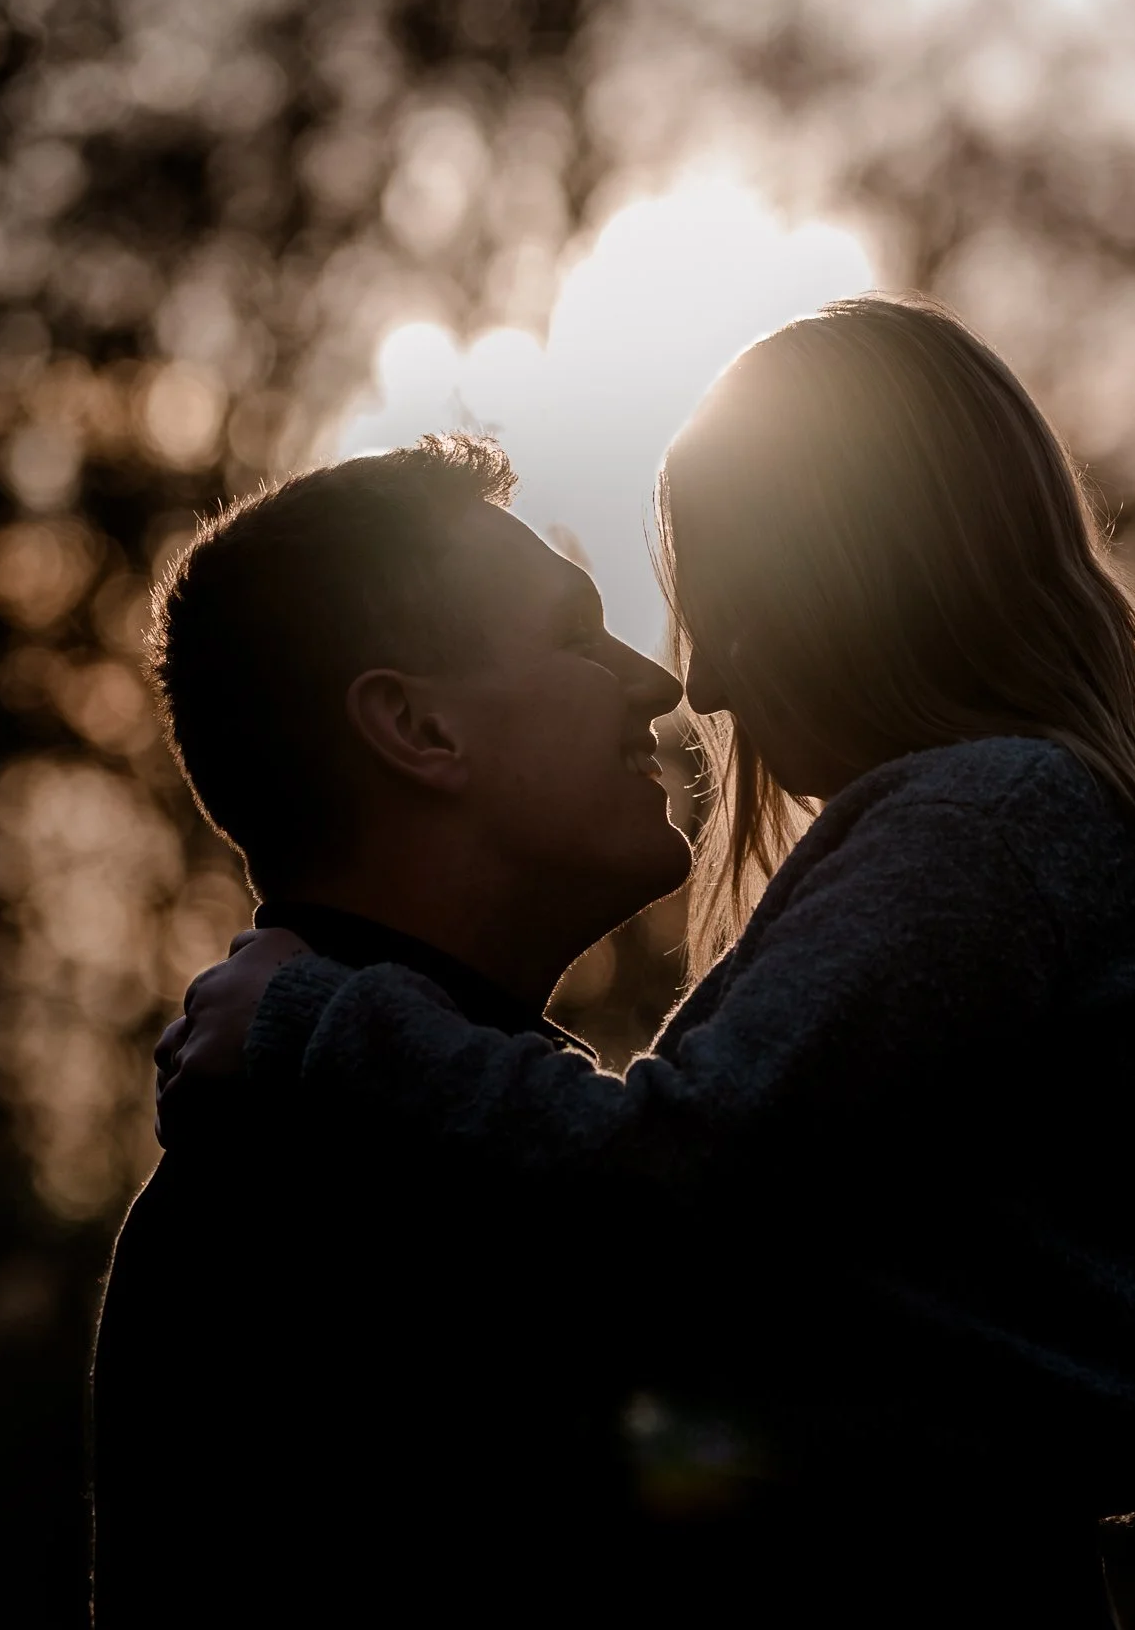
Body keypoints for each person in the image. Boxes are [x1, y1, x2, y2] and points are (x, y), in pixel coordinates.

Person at [164, 296, 1135, 1626]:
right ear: (417, 729)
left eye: (724, 611)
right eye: (582, 633)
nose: (695, 685)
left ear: (849, 573)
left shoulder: (986, 823)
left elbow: (672, 1169)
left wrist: (315, 1021)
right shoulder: (305, 1195)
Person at [91, 436, 693, 1623]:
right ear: (418, 727)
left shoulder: (423, 1133)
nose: (654, 683)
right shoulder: (332, 1195)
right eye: (576, 634)